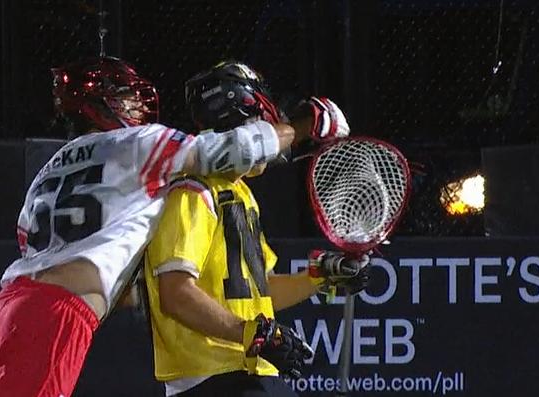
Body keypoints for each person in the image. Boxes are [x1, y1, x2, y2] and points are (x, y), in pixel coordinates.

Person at [0, 56, 308, 397]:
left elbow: (38, 245)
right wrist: (300, 129)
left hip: (10, 304)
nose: (137, 103)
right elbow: (232, 149)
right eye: (127, 94)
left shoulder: (49, 169)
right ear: (100, 100)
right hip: (60, 311)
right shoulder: (137, 144)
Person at [142, 61, 370, 397]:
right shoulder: (191, 192)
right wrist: (251, 334)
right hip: (211, 376)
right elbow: (176, 294)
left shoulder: (239, 193)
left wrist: (319, 277)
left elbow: (261, 295)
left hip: (249, 370)